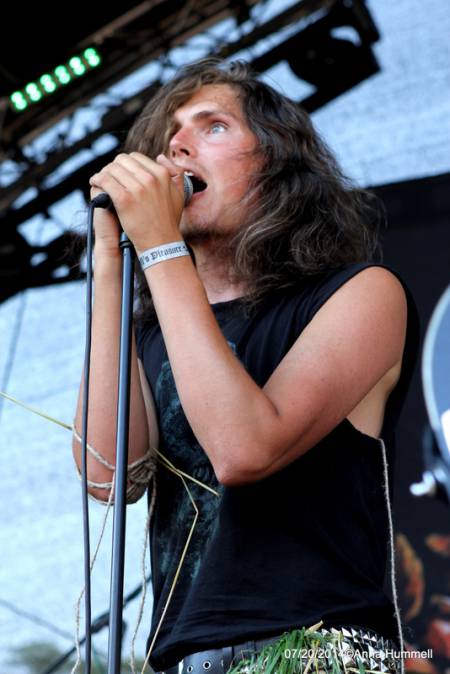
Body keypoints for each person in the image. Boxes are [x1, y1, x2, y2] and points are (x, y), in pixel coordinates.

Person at [72, 58, 419, 674]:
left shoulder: (361, 294)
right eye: (169, 135)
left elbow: (245, 450)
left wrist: (161, 246)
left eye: (213, 126)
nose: (177, 145)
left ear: (276, 162)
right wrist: (108, 261)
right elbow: (108, 475)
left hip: (317, 648)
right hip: (184, 657)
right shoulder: (153, 331)